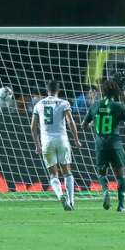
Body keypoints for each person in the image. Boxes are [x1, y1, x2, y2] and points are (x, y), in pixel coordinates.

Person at [82, 79, 125, 212]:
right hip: (115, 143)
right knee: (121, 176)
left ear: (103, 91)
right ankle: (121, 206)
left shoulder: (95, 105)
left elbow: (83, 125)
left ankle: (105, 191)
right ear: (115, 91)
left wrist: (93, 124)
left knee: (102, 173)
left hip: (100, 144)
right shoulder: (118, 106)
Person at [31, 80, 79, 211]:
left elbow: (33, 126)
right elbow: (70, 122)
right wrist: (76, 139)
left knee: (53, 175)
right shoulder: (64, 103)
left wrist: (37, 145)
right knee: (67, 172)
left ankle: (60, 196)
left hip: (46, 142)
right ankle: (71, 201)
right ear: (59, 90)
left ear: (47, 90)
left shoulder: (39, 104)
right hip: (62, 140)